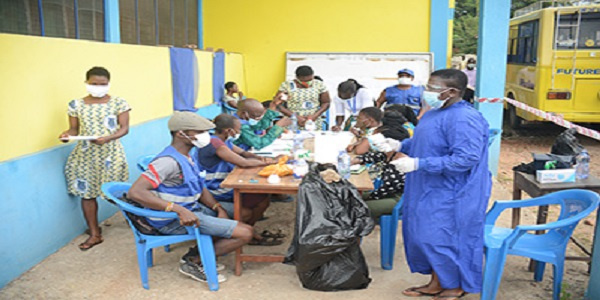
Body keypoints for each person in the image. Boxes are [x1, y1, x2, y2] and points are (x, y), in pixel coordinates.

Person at [376, 69, 491, 299]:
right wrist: (400, 146)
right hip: (427, 186)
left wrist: (419, 164)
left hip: (454, 190)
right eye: (427, 86)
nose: (426, 92)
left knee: (445, 238)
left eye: (433, 88)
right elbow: (425, 140)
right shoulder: (433, 113)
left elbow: (466, 158)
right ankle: (437, 282)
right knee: (424, 237)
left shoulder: (464, 118)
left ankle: (456, 286)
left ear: (452, 92)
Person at [128, 111, 253, 283]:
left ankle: (203, 249)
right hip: (172, 219)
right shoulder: (168, 162)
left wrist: (218, 208)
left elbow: (199, 188)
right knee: (246, 233)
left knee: (243, 212)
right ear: (181, 134)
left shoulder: (188, 155)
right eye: (200, 132)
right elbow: (135, 192)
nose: (206, 136)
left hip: (193, 209)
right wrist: (177, 209)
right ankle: (193, 260)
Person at [59, 66, 130, 251]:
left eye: (103, 84)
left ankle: (136, 221)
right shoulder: (76, 105)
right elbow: (74, 129)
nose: (98, 87)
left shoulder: (119, 103)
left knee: (118, 192)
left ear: (109, 84)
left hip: (111, 154)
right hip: (85, 155)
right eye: (94, 84)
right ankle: (94, 233)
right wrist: (67, 134)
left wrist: (108, 138)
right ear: (86, 83)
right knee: (87, 194)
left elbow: (124, 128)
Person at [194, 114, 283, 245]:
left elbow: (243, 153)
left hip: (224, 185)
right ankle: (239, 234)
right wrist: (272, 162)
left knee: (263, 198)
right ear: (228, 131)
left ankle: (249, 231)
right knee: (250, 207)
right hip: (215, 190)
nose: (239, 132)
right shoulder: (215, 143)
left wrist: (260, 158)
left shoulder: (225, 141)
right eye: (238, 129)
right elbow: (243, 162)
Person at [275, 65, 331, 129]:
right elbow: (278, 104)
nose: (307, 83)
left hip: (313, 122)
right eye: (304, 81)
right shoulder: (287, 85)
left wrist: (315, 116)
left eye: (310, 80)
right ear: (297, 78)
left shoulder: (319, 84)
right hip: (292, 121)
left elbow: (326, 102)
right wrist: (295, 117)